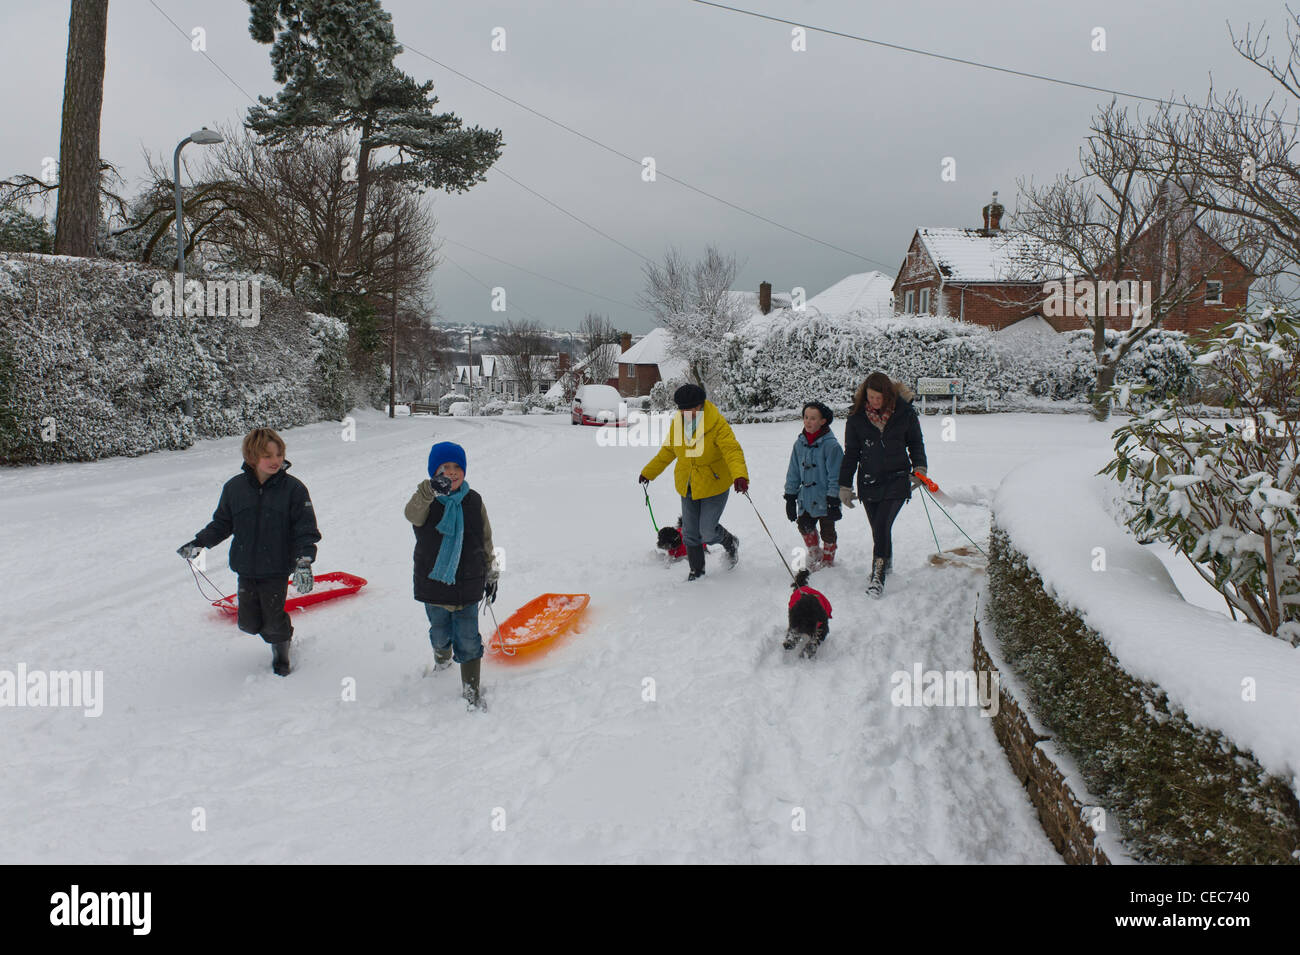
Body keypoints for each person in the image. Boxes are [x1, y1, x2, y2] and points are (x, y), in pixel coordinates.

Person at [178, 427, 320, 676]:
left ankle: (281, 653)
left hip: (276, 568)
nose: (276, 461)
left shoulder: (294, 490)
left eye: (279, 455)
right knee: (248, 623)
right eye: (268, 456)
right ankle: (276, 635)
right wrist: (199, 543)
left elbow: (305, 530)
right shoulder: (235, 489)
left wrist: (304, 561)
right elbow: (223, 523)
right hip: (245, 566)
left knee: (274, 620)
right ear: (252, 458)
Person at [405, 441, 500, 710]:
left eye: (457, 466)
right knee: (439, 632)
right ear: (434, 472)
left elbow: (486, 538)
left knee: (469, 639)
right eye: (444, 467)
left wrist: (491, 571)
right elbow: (410, 514)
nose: (452, 472)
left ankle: (471, 689)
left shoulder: (474, 501)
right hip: (433, 583)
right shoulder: (425, 501)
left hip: (469, 581)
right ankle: (442, 659)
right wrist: (428, 491)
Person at [639, 383, 749, 581]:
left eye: (689, 408)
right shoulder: (678, 423)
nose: (684, 412)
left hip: (714, 484)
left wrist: (739, 475)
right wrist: (649, 472)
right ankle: (696, 572)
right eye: (681, 408)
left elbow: (732, 450)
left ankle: (730, 541)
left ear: (700, 405)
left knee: (706, 531)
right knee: (690, 533)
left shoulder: (717, 424)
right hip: (687, 483)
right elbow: (669, 450)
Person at [838, 373, 928, 598]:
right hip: (869, 480)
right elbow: (851, 454)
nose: (875, 402)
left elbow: (916, 442)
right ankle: (886, 562)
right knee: (879, 527)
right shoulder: (856, 417)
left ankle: (878, 576)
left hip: (898, 478)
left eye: (879, 398)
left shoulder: (904, 412)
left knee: (881, 525)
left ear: (888, 395)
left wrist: (920, 469)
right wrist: (844, 486)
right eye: (870, 397)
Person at [784, 401, 844, 569]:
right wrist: (790, 496)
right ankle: (814, 551)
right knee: (804, 524)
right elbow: (793, 471)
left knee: (828, 532)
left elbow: (836, 475)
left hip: (825, 498)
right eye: (805, 417)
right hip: (806, 497)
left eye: (813, 418)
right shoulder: (799, 444)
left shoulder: (831, 446)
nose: (808, 422)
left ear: (822, 421)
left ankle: (828, 558)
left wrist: (834, 498)